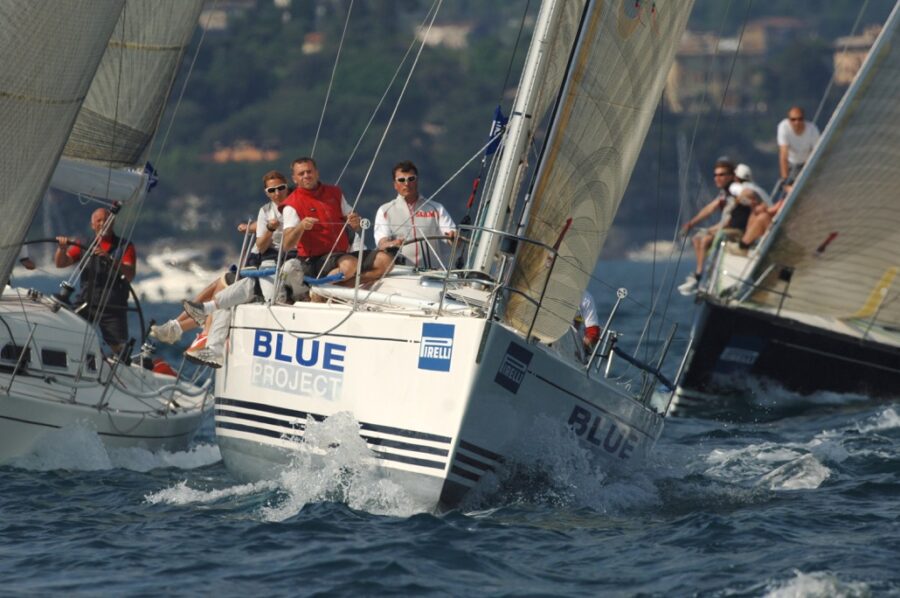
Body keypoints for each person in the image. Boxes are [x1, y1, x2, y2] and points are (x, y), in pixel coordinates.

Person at [151, 171, 292, 347]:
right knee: (219, 286)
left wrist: (259, 228)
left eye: (280, 188)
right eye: (272, 190)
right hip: (260, 261)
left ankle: (186, 329)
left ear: (287, 186)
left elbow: (281, 226)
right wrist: (255, 227)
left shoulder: (292, 207)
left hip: (272, 263)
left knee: (221, 285)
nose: (277, 193)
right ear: (266, 192)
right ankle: (178, 326)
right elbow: (271, 223)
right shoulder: (267, 210)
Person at [279, 157, 392, 292]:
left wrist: (355, 221)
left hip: (341, 254)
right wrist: (301, 227)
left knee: (386, 261)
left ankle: (328, 291)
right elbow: (286, 244)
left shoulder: (334, 192)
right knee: (349, 265)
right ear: (294, 179)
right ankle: (324, 291)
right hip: (314, 260)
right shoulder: (292, 204)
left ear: (317, 173)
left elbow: (354, 221)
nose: (306, 176)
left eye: (309, 172)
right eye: (301, 174)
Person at [55, 207, 136, 354]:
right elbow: (61, 263)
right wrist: (61, 249)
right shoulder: (83, 244)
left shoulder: (125, 246)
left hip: (113, 306)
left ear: (112, 224)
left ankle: (119, 368)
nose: (103, 223)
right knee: (68, 332)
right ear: (93, 225)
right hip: (87, 302)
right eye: (99, 221)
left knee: (118, 349)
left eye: (106, 220)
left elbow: (130, 274)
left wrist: (109, 259)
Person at [373, 160, 457, 269]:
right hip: (399, 274)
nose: (407, 183)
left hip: (432, 273)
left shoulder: (436, 208)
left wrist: (454, 237)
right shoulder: (384, 210)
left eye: (411, 179)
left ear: (417, 181)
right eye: (401, 180)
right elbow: (381, 243)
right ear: (395, 185)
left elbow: (453, 237)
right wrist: (394, 243)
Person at [677, 160, 737, 295]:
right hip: (725, 227)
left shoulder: (735, 192)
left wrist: (711, 230)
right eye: (716, 175)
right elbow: (709, 209)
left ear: (731, 176)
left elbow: (731, 220)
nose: (717, 178)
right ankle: (699, 274)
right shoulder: (724, 193)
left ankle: (700, 276)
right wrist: (691, 224)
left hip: (735, 228)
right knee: (697, 238)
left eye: (722, 175)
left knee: (704, 240)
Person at [777, 106, 820, 185]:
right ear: (789, 120)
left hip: (807, 164)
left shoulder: (813, 130)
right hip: (791, 164)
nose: (797, 122)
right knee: (788, 188)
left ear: (804, 119)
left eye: (800, 119)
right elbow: (783, 155)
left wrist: (806, 173)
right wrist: (786, 180)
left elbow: (815, 153)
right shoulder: (783, 127)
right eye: (793, 119)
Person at [574, 290, 601, 357]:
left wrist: (582, 348)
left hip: (567, 342)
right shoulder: (586, 297)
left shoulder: (586, 298)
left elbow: (593, 333)